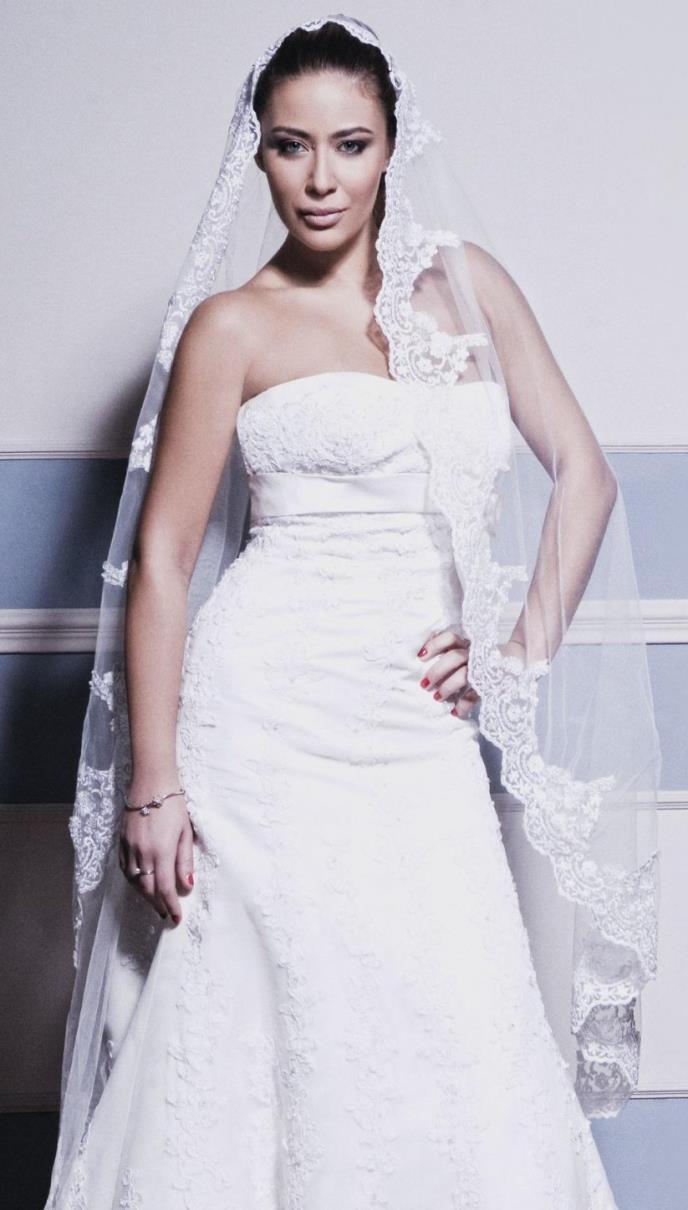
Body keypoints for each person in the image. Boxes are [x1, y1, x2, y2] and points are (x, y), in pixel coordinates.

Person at [44, 14, 661, 1209]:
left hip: (411, 724)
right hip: (259, 720)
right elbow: (165, 559)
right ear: (258, 154)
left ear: (392, 144)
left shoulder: (469, 288)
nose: (320, 178)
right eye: (291, 146)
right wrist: (154, 785)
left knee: (445, 1007)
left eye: (349, 143)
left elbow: (585, 476)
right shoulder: (231, 325)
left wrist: (518, 649)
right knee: (240, 1025)